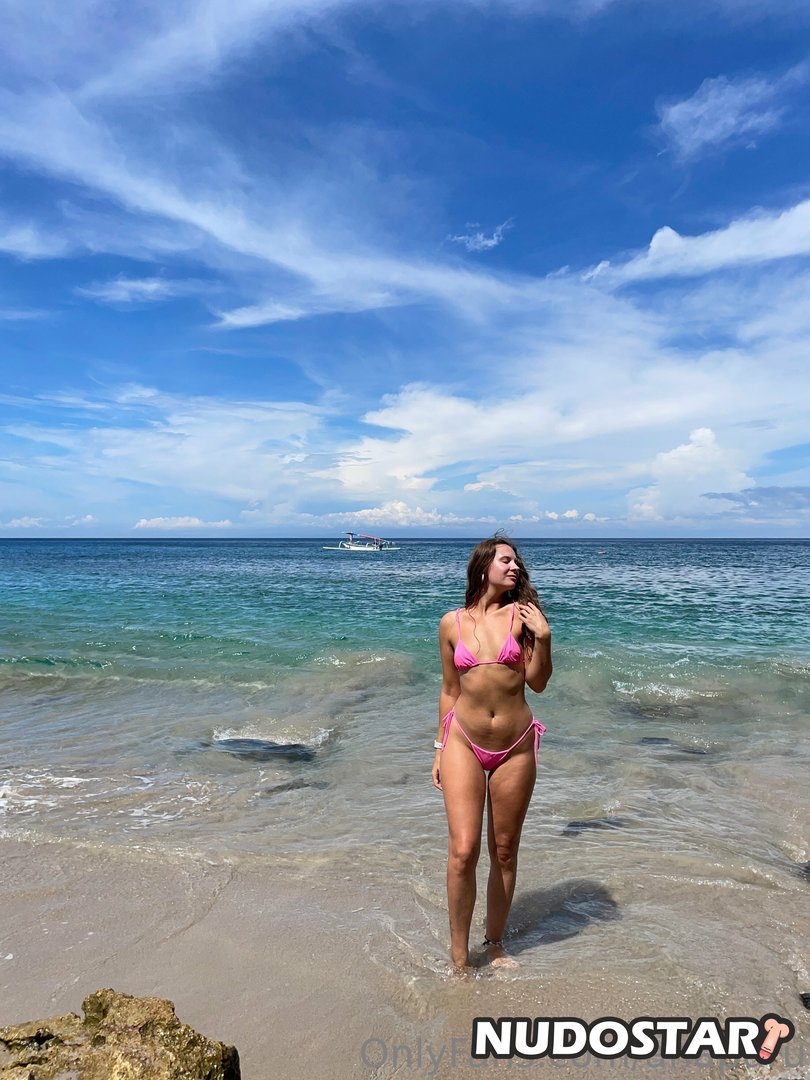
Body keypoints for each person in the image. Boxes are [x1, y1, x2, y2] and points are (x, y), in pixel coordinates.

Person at [433, 534, 552, 970]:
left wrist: (545, 638)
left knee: (504, 850)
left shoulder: (525, 617)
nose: (514, 566)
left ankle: (495, 944)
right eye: (505, 560)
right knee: (463, 850)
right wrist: (439, 747)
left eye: (517, 562)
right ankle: (459, 960)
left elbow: (538, 683)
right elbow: (449, 690)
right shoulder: (451, 623)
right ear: (483, 566)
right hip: (462, 741)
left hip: (515, 746)